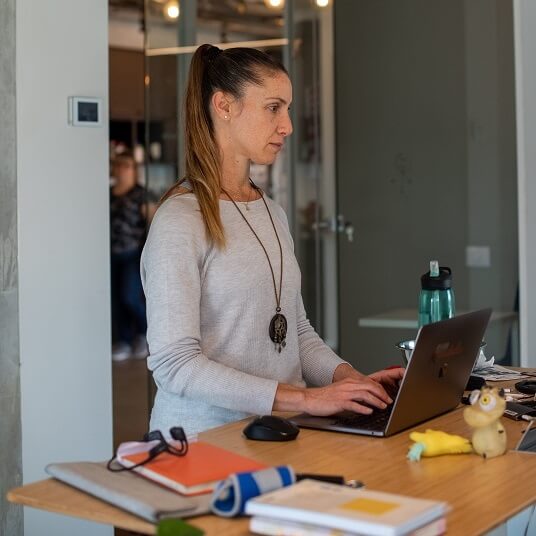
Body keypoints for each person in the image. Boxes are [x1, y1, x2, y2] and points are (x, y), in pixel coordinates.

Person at [141, 44, 404, 436]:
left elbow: (296, 333)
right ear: (224, 106)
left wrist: (351, 381)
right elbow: (174, 364)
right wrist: (305, 399)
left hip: (278, 433)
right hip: (201, 445)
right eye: (273, 108)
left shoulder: (271, 211)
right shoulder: (180, 220)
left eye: (288, 109)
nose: (288, 125)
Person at [110, 151, 154, 361]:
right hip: (110, 254)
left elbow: (154, 224)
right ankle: (125, 340)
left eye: (127, 166)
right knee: (116, 300)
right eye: (119, 165)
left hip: (132, 253)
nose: (122, 170)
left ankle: (145, 333)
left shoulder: (140, 194)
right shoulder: (109, 193)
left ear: (134, 171)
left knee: (129, 295)